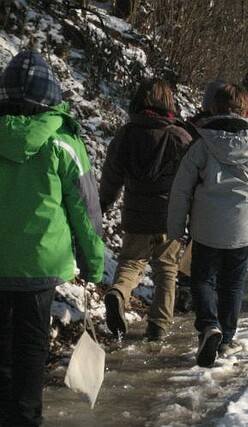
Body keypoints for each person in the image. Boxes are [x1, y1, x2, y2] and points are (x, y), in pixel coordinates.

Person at [0, 50, 105, 427]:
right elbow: (86, 213)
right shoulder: (63, 143)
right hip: (39, 266)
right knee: (30, 346)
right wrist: (94, 263)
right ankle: (26, 418)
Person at [167, 83, 248, 367]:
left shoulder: (200, 145)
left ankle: (208, 325)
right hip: (243, 231)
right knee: (233, 285)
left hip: (206, 229)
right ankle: (225, 338)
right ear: (247, 111)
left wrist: (175, 230)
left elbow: (180, 190)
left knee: (202, 279)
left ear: (213, 108)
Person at [99, 78, 193, 341]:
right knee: (166, 270)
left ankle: (118, 293)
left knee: (130, 263)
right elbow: (192, 179)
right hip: (168, 217)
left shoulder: (125, 135)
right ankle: (158, 327)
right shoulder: (180, 138)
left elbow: (111, 177)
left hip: (135, 214)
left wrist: (102, 205)